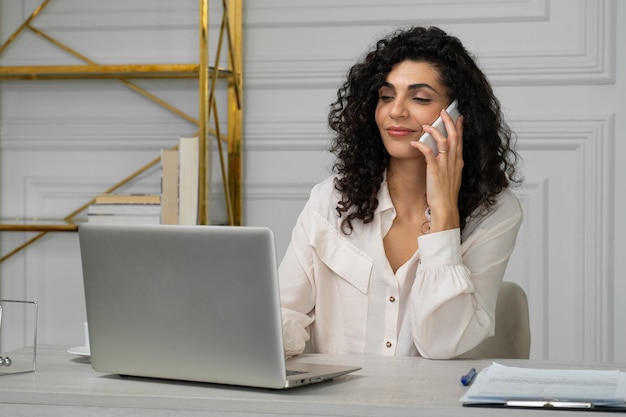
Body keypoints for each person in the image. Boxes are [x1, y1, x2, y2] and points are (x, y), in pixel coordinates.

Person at [278, 26, 523, 360]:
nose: (396, 111)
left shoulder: (494, 213)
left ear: (456, 116)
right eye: (386, 96)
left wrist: (445, 212)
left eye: (420, 98)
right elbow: (283, 313)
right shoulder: (330, 200)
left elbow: (442, 344)